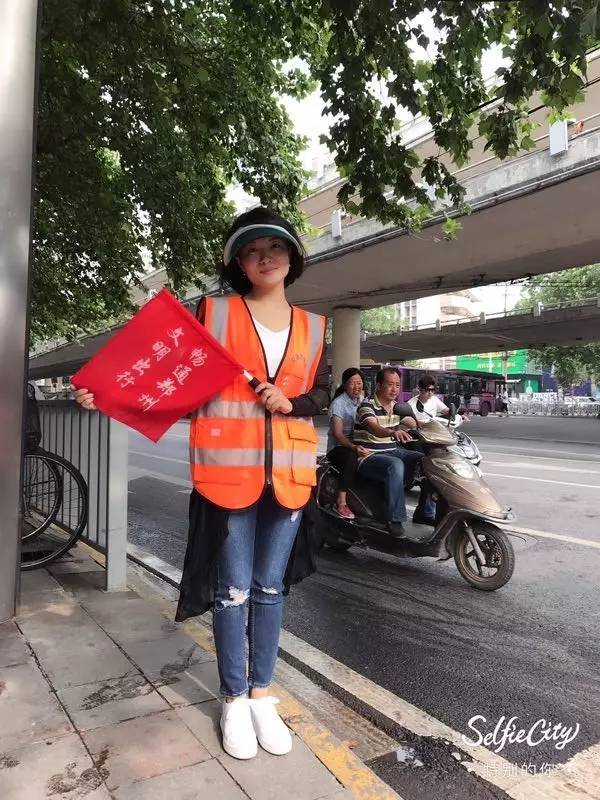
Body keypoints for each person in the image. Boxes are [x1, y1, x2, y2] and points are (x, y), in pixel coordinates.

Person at [73, 207, 329, 762]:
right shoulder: (213, 313)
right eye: (252, 250)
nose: (265, 257)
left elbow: (322, 392)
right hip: (227, 474)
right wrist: (107, 394)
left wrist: (292, 401)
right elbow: (169, 378)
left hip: (290, 474)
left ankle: (263, 695)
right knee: (233, 589)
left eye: (275, 247)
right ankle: (234, 697)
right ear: (239, 262)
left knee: (270, 588)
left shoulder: (314, 326)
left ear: (292, 257)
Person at [353, 367, 435, 536]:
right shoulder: (367, 406)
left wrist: (437, 427)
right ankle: (395, 519)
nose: (394, 389)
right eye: (390, 385)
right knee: (395, 464)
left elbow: (415, 423)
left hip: (391, 451)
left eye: (397, 385)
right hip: (368, 455)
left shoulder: (397, 407)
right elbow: (373, 427)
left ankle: (425, 512)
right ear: (378, 385)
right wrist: (392, 432)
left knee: (428, 461)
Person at [326, 367, 370, 519]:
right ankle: (341, 502)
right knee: (351, 457)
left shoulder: (363, 401)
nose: (357, 386)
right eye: (352, 383)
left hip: (359, 444)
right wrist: (354, 447)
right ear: (345, 385)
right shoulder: (338, 404)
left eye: (359, 383)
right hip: (338, 448)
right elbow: (338, 434)